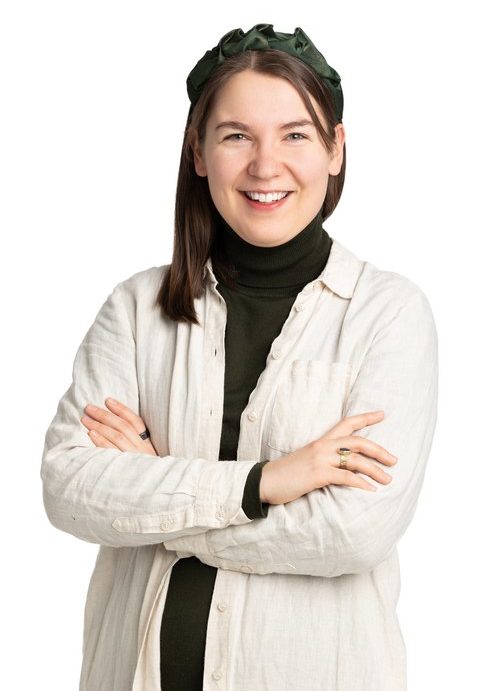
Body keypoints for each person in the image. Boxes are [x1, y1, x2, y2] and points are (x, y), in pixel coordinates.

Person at [40, 23, 438, 691]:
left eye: (294, 134)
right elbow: (69, 487)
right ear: (198, 151)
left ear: (335, 150)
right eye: (235, 136)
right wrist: (265, 483)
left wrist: (158, 503)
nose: (264, 165)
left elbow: (352, 532)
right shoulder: (135, 310)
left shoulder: (388, 314)